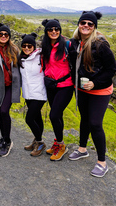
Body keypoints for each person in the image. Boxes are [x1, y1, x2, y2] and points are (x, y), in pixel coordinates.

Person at [68, 11, 116, 178]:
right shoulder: (75, 43)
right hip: (81, 89)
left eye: (90, 24)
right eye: (83, 23)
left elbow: (111, 70)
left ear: (94, 27)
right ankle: (82, 149)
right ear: (79, 24)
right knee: (85, 119)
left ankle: (102, 163)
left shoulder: (100, 45)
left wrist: (95, 83)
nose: (86, 26)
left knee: (95, 123)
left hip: (100, 90)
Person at [0, 23, 21, 157]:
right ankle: (3, 137)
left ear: (9, 36)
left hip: (11, 86)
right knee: (0, 112)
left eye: (6, 34)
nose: (3, 36)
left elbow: (20, 66)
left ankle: (7, 141)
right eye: (1, 34)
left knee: (5, 111)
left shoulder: (14, 50)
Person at [41, 19, 74, 161]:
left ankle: (61, 146)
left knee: (54, 115)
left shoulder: (68, 45)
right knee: (57, 116)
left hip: (65, 86)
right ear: (46, 32)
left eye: (56, 29)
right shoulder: (45, 47)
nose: (54, 32)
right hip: (51, 86)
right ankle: (57, 143)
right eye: (50, 29)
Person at [19, 33, 48, 157]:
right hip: (28, 93)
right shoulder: (21, 58)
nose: (26, 48)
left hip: (39, 93)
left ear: (34, 46)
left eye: (29, 46)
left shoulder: (41, 56)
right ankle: (37, 140)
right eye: (24, 46)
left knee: (29, 119)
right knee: (37, 118)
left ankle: (40, 142)